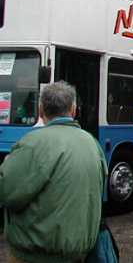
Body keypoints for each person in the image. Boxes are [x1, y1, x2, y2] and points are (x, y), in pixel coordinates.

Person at [0, 81, 108, 263]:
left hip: (35, 254)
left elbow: (7, 193)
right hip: (79, 253)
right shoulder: (92, 143)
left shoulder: (33, 143)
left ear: (41, 111)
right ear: (73, 110)